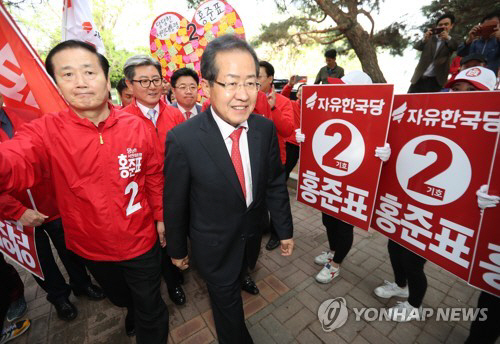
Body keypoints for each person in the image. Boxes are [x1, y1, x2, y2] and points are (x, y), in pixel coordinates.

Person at [0, 40, 168, 343]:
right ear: (57, 85)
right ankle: (130, 307)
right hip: (92, 247)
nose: (80, 82)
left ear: (106, 78)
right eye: (67, 75)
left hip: (140, 239)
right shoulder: (45, 131)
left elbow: (154, 175)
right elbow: (14, 161)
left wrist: (160, 216)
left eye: (89, 72)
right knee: (120, 297)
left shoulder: (136, 126)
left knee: (151, 306)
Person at [164, 34, 294, 344]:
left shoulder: (263, 128)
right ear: (207, 88)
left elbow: (275, 183)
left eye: (251, 83)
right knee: (227, 309)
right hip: (213, 245)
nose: (243, 95)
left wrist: (285, 229)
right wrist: (178, 250)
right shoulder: (183, 139)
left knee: (240, 277)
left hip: (250, 239)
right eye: (231, 83)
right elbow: (176, 202)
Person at [374, 64, 497, 323]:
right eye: (456, 89)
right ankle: (400, 285)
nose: (460, 96)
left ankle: (414, 304)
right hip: (411, 201)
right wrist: (387, 153)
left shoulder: (491, 131)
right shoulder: (432, 116)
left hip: (442, 211)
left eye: (470, 92)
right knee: (394, 246)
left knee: (413, 260)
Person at [0, 94, 105, 321]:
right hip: (17, 214)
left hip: (52, 201)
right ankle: (58, 297)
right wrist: (16, 211)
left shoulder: (29, 116)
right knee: (40, 258)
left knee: (71, 247)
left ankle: (82, 283)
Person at [295, 71, 391, 283]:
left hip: (354, 181)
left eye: (344, 86)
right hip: (331, 177)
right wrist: (306, 137)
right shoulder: (335, 108)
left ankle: (336, 264)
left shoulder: (376, 114)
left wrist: (385, 154)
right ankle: (332, 251)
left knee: (344, 224)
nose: (337, 89)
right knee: (328, 219)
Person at [122, 55, 186, 306]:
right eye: (143, 81)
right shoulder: (122, 120)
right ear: (129, 85)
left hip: (175, 191)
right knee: (153, 245)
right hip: (140, 197)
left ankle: (174, 282)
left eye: (155, 80)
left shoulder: (174, 115)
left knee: (173, 238)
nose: (151, 86)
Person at [258, 61, 296, 251]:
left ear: (270, 79)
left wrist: (273, 108)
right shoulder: (247, 99)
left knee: (277, 198)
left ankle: (277, 233)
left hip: (276, 160)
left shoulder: (283, 102)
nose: (254, 81)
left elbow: (288, 130)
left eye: (259, 77)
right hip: (254, 161)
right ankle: (262, 226)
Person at [408, 13, 459, 93]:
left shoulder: (450, 41)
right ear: (437, 26)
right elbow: (417, 46)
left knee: (432, 105)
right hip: (419, 78)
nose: (443, 27)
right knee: (410, 102)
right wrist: (424, 40)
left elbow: (456, 47)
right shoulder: (430, 38)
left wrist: (448, 38)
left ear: (451, 26)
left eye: (446, 24)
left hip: (436, 81)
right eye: (440, 25)